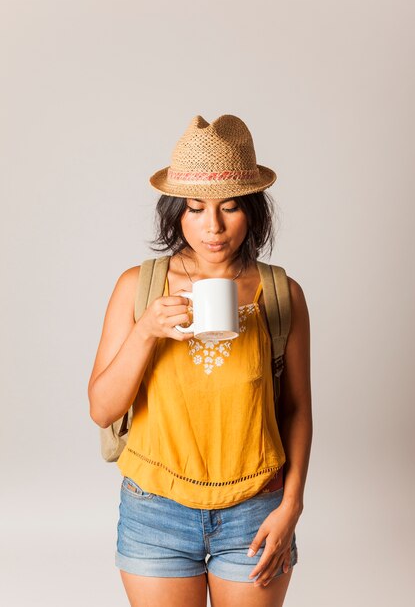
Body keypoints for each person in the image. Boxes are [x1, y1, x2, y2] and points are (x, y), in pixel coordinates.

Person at [88, 114, 312, 607]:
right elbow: (103, 410)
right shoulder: (137, 287)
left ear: (253, 211)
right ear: (177, 212)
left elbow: (296, 409)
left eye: (230, 207)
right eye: (194, 208)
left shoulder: (282, 294)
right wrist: (147, 329)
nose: (212, 227)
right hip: (155, 513)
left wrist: (291, 506)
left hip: (256, 513)